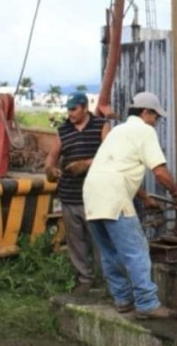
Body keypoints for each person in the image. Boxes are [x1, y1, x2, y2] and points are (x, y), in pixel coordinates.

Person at [82, 91, 177, 320]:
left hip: (92, 193)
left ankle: (122, 299)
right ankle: (147, 304)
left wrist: (143, 197)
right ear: (145, 113)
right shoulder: (144, 131)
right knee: (137, 252)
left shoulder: (118, 131)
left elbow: (117, 168)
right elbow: (160, 171)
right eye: (156, 116)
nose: (157, 121)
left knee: (109, 251)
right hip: (114, 195)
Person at [45, 91, 109, 295]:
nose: (70, 113)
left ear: (84, 107)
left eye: (73, 109)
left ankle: (107, 280)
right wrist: (50, 170)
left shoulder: (101, 126)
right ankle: (85, 278)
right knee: (76, 241)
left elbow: (110, 155)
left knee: (100, 240)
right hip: (70, 195)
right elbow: (51, 158)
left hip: (94, 196)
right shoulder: (63, 131)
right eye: (68, 109)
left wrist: (86, 164)